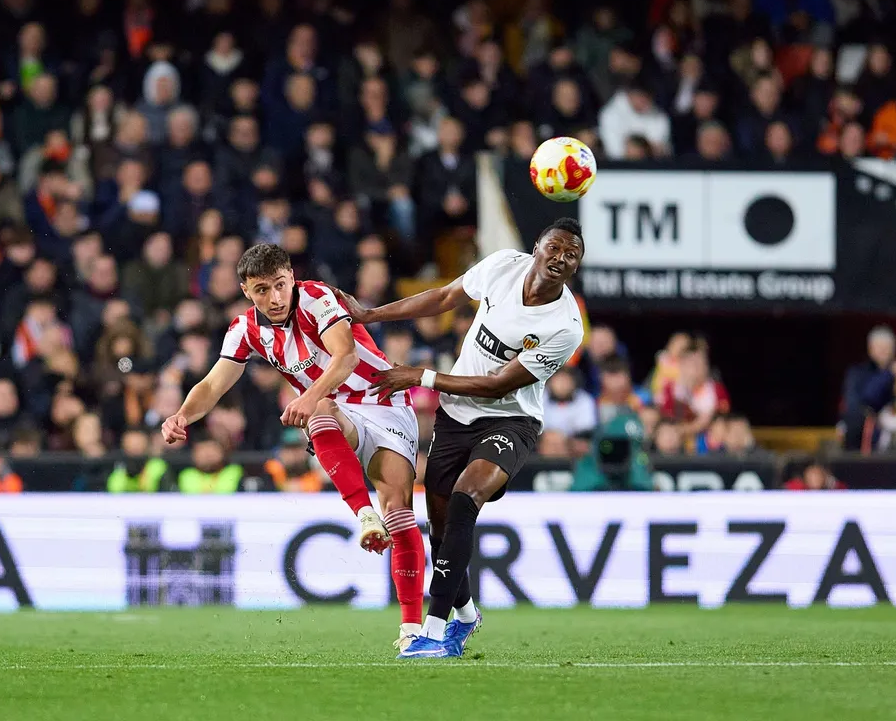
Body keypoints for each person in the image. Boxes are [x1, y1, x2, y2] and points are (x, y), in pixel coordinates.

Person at [338, 218, 586, 659]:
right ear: (536, 247)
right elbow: (444, 297)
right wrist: (371, 314)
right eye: (555, 248)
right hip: (455, 416)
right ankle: (467, 615)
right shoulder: (504, 266)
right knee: (441, 529)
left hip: (511, 421)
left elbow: (496, 385)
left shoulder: (564, 326)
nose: (561, 259)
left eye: (572, 255)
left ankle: (433, 631)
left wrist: (422, 376)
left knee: (465, 496)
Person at [160, 243, 424, 650]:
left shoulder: (317, 297)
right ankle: (364, 513)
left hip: (385, 402)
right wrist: (181, 416)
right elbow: (213, 384)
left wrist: (307, 395)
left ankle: (411, 629)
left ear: (292, 278)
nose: (275, 297)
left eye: (281, 285)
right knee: (321, 414)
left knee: (401, 513)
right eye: (262, 289)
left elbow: (347, 357)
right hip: (337, 411)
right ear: (246, 290)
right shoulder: (245, 329)